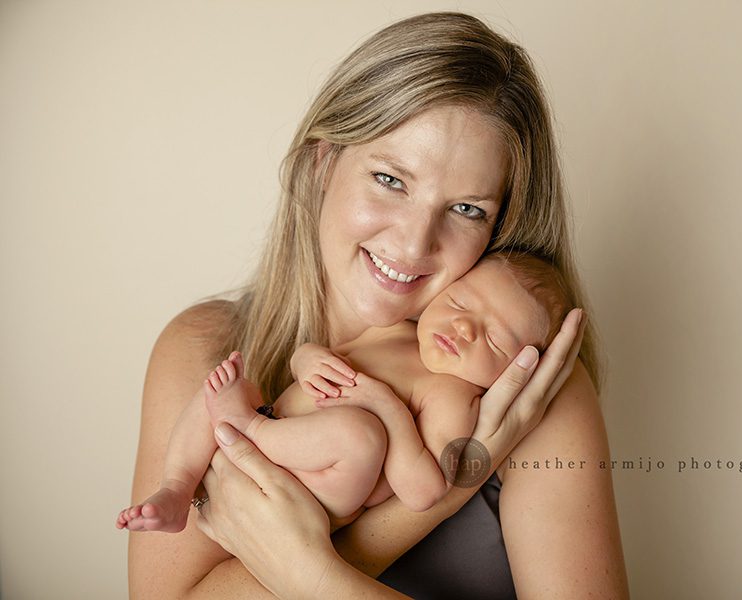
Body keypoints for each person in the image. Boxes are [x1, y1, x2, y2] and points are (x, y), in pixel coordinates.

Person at [127, 11, 629, 599]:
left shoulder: (525, 387)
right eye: (391, 179)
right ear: (322, 163)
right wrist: (461, 479)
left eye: (467, 209)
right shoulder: (206, 347)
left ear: (499, 227)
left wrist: (308, 568)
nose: (415, 243)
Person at [118, 252, 573, 533]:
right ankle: (176, 490)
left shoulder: (454, 398)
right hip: (277, 427)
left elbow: (422, 491)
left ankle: (247, 426)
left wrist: (388, 407)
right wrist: (306, 361)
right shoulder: (391, 328)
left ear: (517, 370)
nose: (464, 328)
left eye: (494, 339)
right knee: (222, 390)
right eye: (460, 303)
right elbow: (316, 355)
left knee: (361, 435)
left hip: (320, 492)